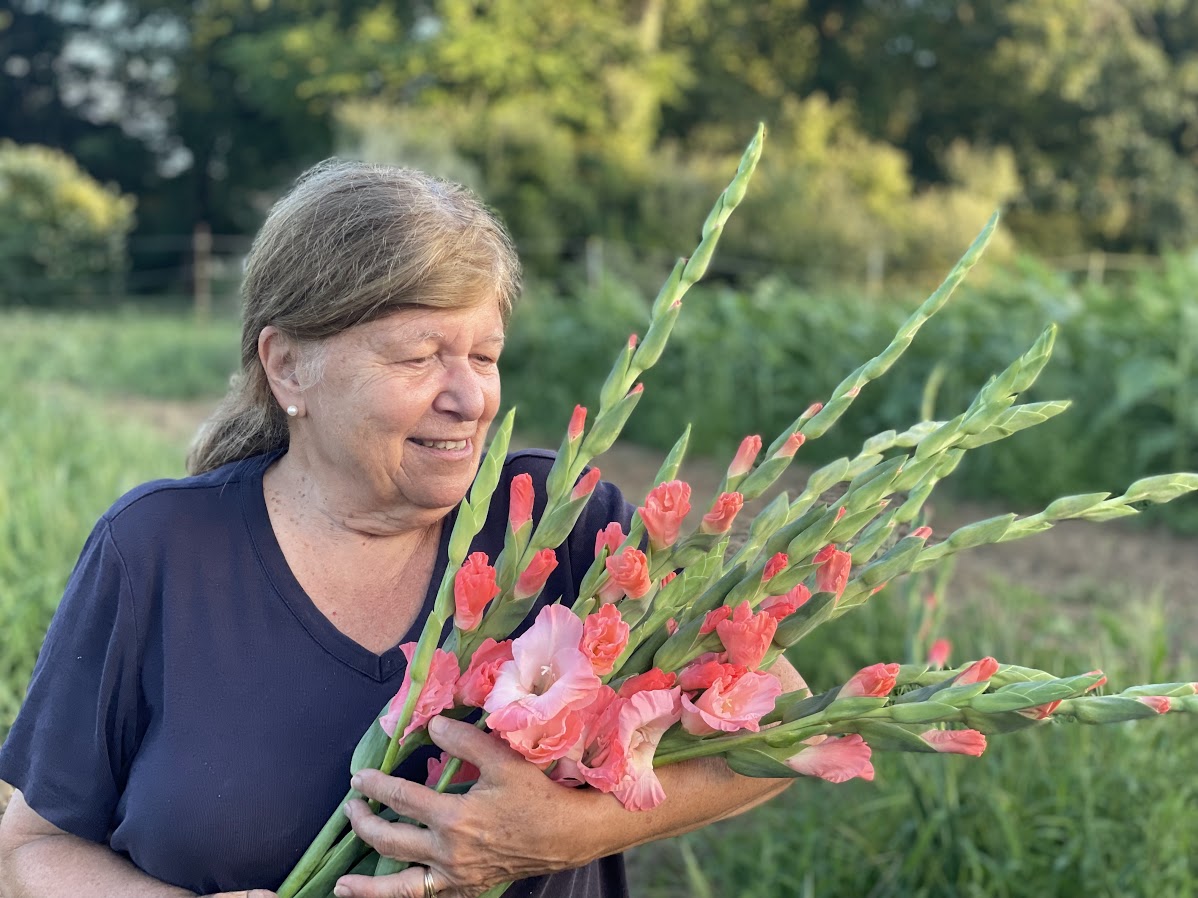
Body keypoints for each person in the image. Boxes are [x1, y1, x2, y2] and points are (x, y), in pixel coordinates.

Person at [0, 161, 804, 898]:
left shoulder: (563, 522)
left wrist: (562, 835)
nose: (470, 399)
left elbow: (792, 724)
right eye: (419, 358)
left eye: (483, 355)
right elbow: (28, 846)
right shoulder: (159, 550)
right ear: (287, 367)